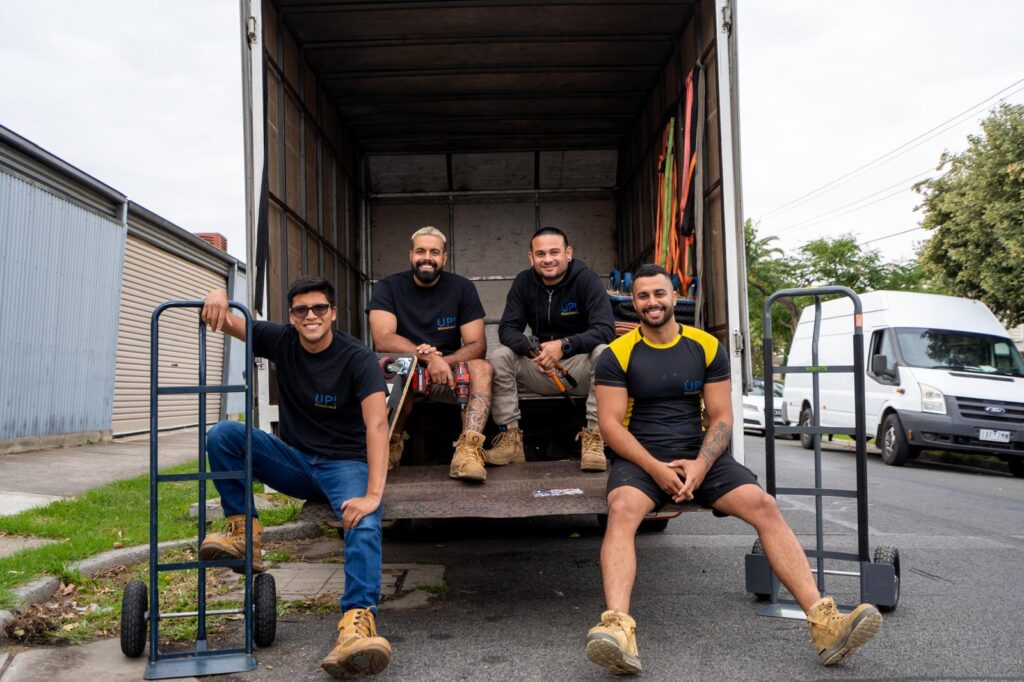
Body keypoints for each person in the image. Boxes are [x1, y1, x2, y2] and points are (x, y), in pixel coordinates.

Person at [584, 263, 882, 675]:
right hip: (642, 458)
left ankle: (825, 622)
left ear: (675, 297)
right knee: (621, 511)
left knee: (763, 504)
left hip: (699, 455)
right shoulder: (617, 354)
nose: (652, 302)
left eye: (659, 294)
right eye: (642, 296)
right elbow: (611, 426)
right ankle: (618, 629)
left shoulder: (706, 346)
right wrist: (655, 468)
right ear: (633, 302)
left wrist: (701, 466)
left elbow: (722, 418)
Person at [199, 276, 392, 679]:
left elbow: (377, 426)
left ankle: (357, 625)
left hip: (345, 463)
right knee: (223, 435)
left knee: (364, 522)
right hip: (297, 461)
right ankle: (243, 532)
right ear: (291, 316)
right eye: (301, 310)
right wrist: (219, 295)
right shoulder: (282, 339)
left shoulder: (357, 359)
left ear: (333, 313)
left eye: (319, 308)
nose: (310, 316)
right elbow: (229, 321)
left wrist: (373, 494)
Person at [367, 226, 494, 482]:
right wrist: (427, 357)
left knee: (482, 367)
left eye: (434, 252)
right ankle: (389, 447)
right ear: (410, 255)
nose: (427, 257)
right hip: (407, 372)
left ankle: (468, 451)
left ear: (444, 258)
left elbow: (477, 344)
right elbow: (382, 339)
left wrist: (442, 362)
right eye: (421, 251)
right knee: (391, 365)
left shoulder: (462, 288)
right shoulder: (388, 287)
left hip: (447, 374)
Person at [486, 226, 615, 470]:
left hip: (579, 368)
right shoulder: (524, 282)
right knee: (501, 356)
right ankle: (510, 440)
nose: (548, 259)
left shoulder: (587, 280)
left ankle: (595, 439)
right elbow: (508, 329)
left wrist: (564, 346)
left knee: (604, 352)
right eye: (541, 254)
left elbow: (605, 329)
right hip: (540, 367)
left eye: (554, 252)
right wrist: (533, 350)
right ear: (531, 257)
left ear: (568, 253)